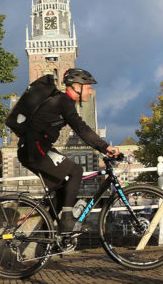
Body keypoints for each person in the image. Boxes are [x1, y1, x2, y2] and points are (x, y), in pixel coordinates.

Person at [17, 68, 119, 234]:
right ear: (76, 87)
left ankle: (45, 236)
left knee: (63, 188)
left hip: (35, 148)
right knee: (76, 170)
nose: (90, 91)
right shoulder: (63, 101)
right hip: (34, 148)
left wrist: (102, 147)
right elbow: (81, 128)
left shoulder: (61, 101)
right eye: (88, 87)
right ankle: (67, 221)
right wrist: (105, 147)